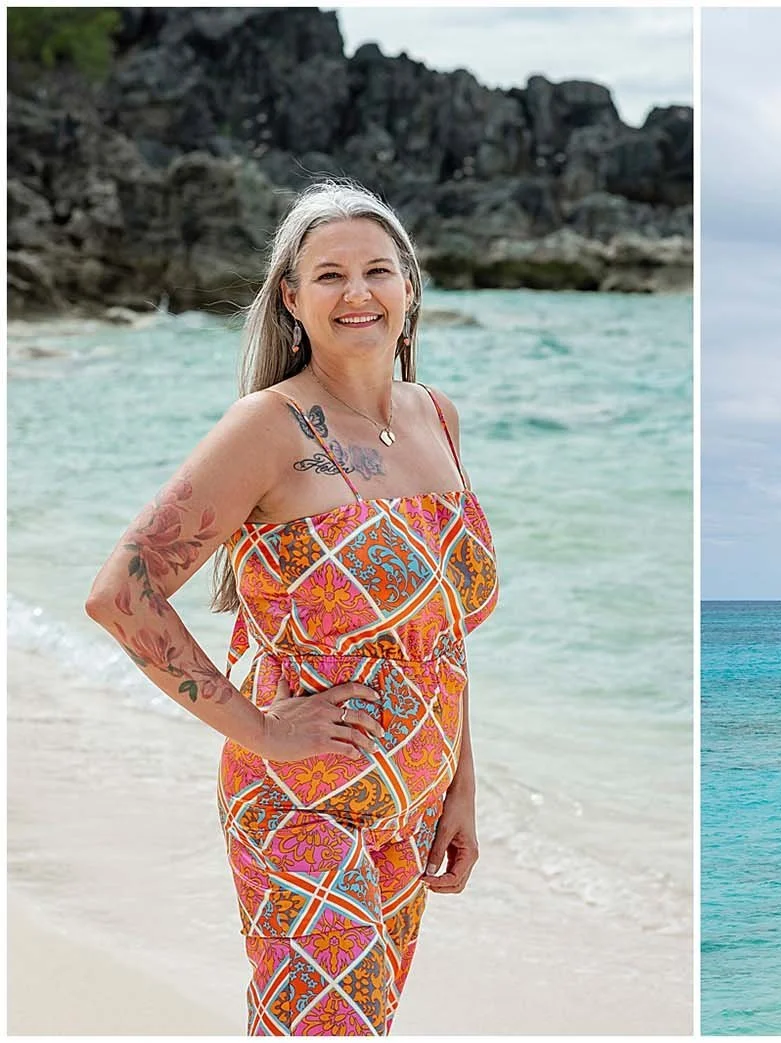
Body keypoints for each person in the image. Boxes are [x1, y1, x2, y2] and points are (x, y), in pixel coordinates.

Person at [84, 179, 499, 1036]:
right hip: (299, 804)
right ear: (292, 299)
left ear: (410, 290)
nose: (357, 293)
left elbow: (442, 633)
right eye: (330, 276)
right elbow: (121, 593)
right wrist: (261, 729)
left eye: (378, 271)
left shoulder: (438, 419)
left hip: (412, 807)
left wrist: (463, 783)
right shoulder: (268, 428)